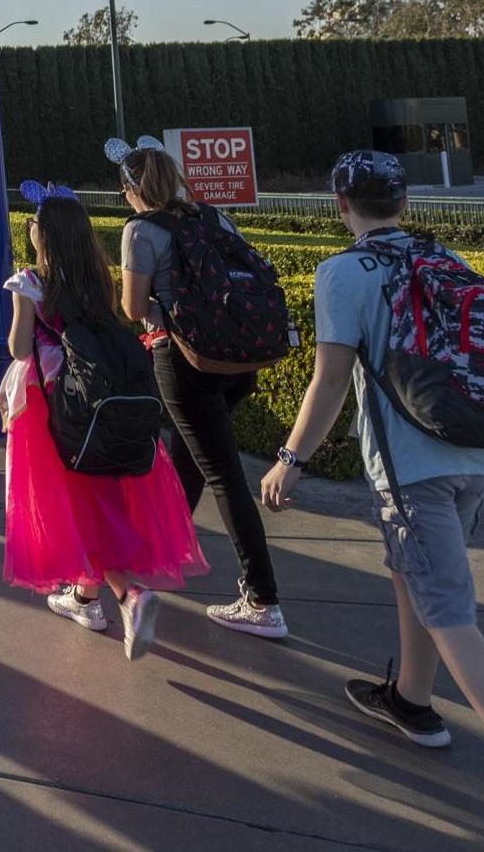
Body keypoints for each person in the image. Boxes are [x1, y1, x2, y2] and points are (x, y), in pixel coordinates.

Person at [259, 151, 484, 852]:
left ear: (339, 203)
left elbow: (328, 382)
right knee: (409, 572)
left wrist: (289, 460)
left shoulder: (344, 273)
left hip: (412, 470)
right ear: (403, 202)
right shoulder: (442, 258)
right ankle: (411, 702)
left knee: (451, 614)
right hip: (477, 455)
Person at [4, 184, 206, 660]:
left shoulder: (32, 280)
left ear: (45, 235)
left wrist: (24, 300)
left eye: (34, 221)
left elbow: (17, 348)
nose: (30, 227)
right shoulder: (97, 280)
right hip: (102, 401)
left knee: (76, 508)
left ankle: (127, 595)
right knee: (102, 494)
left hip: (55, 406)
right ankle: (85, 599)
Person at [114, 141, 287, 637]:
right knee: (189, 459)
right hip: (238, 359)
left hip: (185, 360)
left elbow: (132, 308)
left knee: (223, 474)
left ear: (132, 190)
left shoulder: (141, 230)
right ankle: (160, 554)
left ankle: (263, 599)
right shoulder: (213, 218)